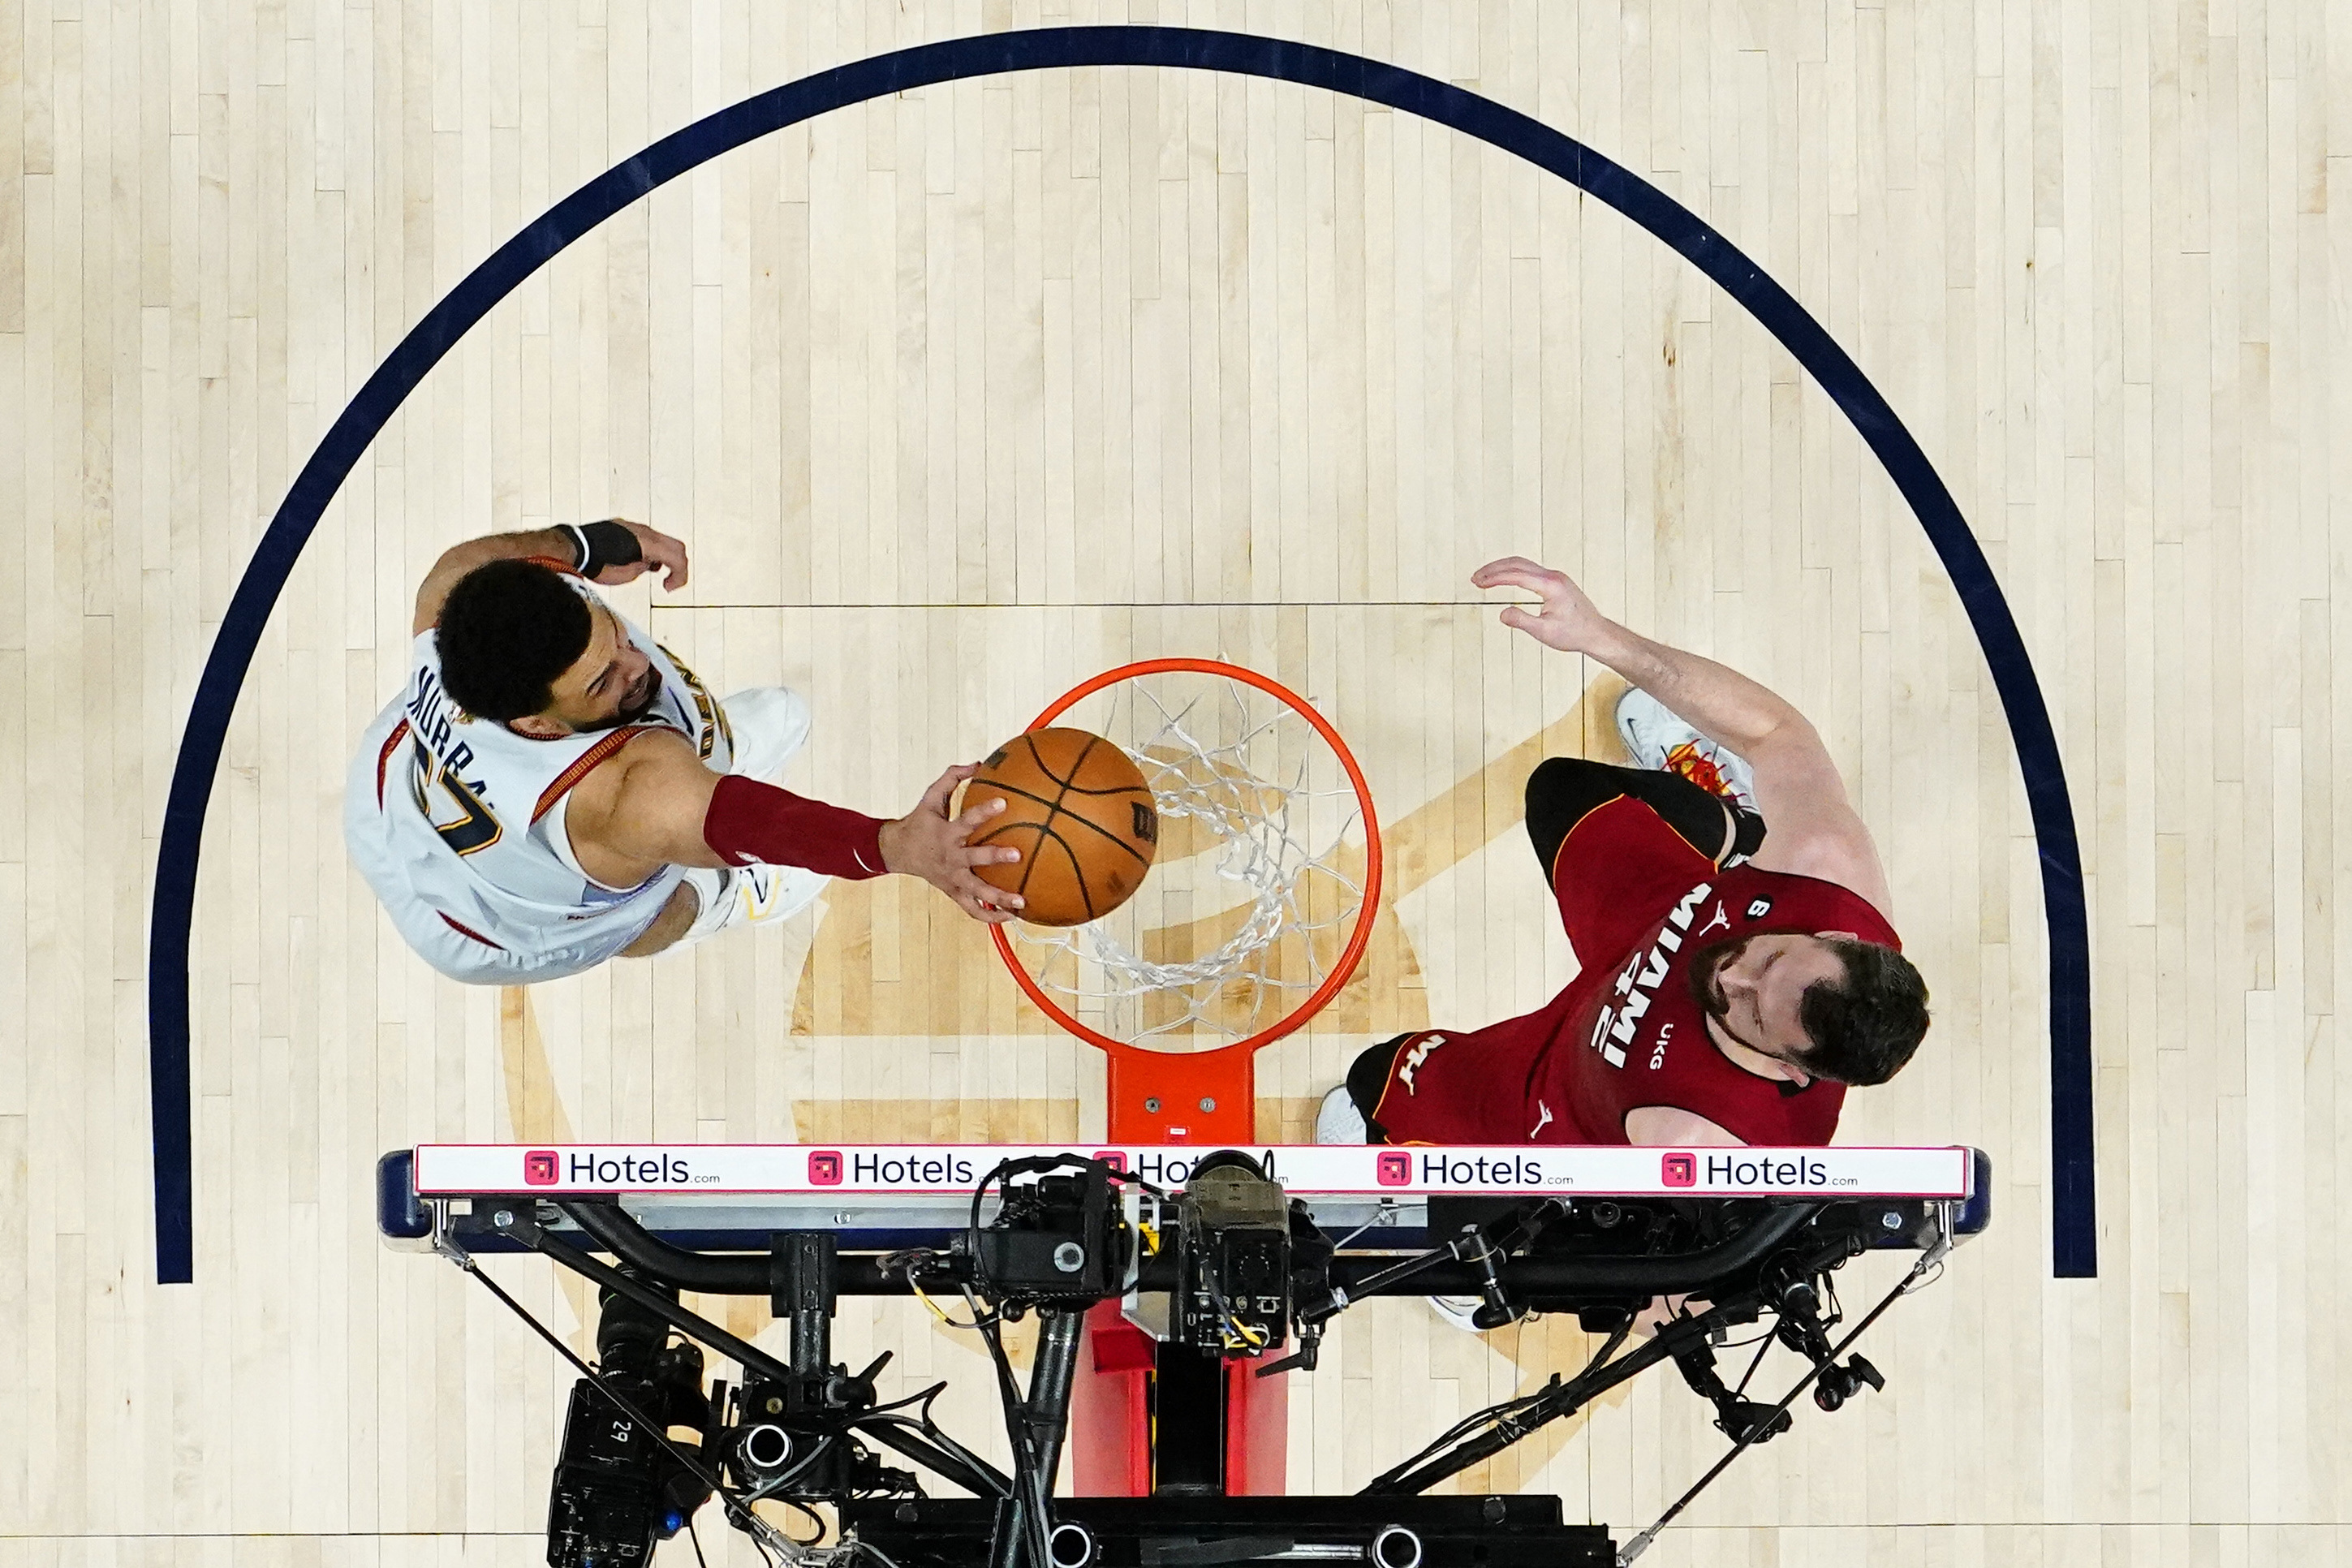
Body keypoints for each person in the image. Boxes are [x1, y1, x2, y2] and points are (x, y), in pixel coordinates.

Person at [1318, 555, 1929, 1152]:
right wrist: (1599, 635)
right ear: (1838, 940)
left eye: (1751, 1010)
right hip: (1668, 919)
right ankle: (1740, 827)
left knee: (1375, 1081)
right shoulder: (1826, 870)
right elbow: (1773, 735)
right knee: (1562, 790)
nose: (1731, 974)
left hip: (1564, 1081)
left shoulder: (1705, 1141)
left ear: (1795, 1072)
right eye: (1768, 960)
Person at [345, 519, 1022, 985]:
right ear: (540, 724)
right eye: (602, 682)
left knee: (686, 794)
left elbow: (461, 561)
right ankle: (724, 898)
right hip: (488, 925)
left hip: (389, 799)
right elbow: (757, 825)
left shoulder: (461, 602)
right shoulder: (621, 796)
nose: (635, 666)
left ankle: (708, 760)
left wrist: (588, 543)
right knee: (651, 905)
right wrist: (899, 846)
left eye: (615, 637)